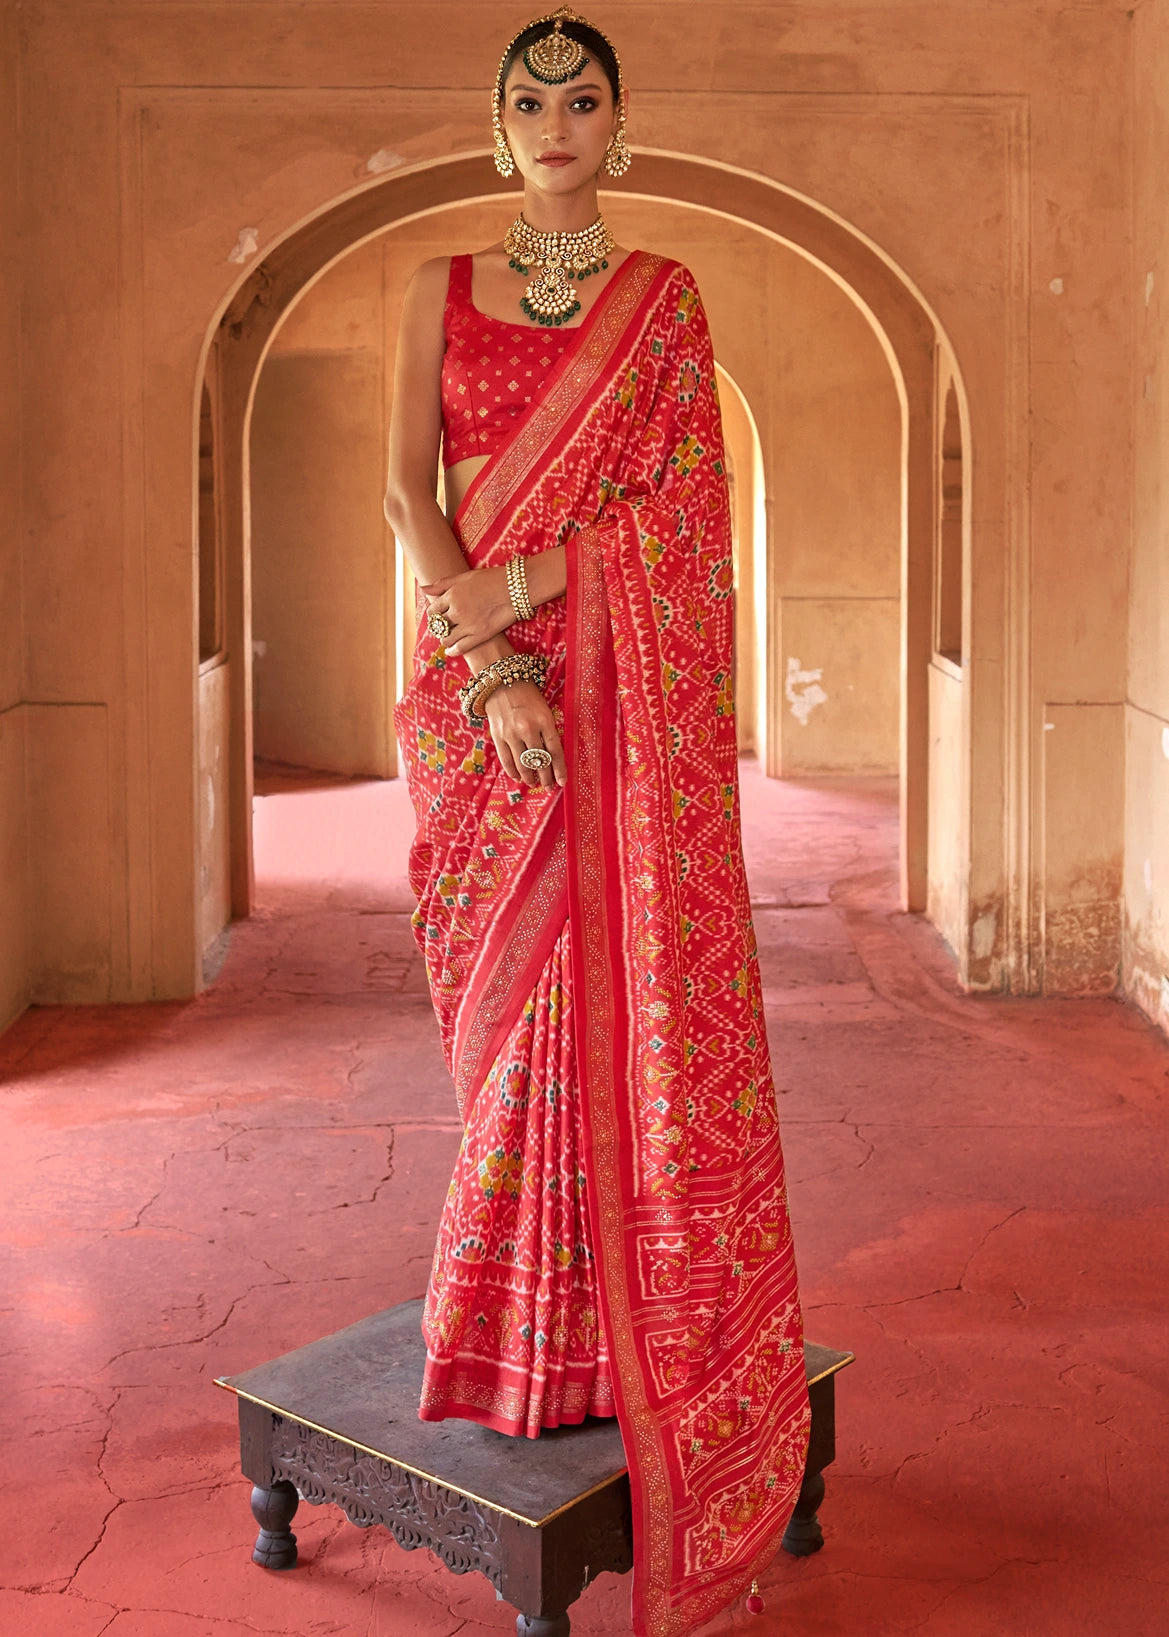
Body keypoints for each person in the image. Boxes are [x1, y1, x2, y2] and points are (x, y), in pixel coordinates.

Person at [384, 9, 811, 1633]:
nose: (553, 120)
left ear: (617, 126)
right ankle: (518, 1327)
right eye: (526, 99)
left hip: (619, 697)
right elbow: (406, 493)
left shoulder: (663, 304)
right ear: (493, 128)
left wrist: (550, 582)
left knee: (596, 1015)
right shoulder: (423, 289)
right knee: (507, 1025)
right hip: (476, 698)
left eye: (582, 99)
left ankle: (565, 1332)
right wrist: (489, 659)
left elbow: (686, 512)